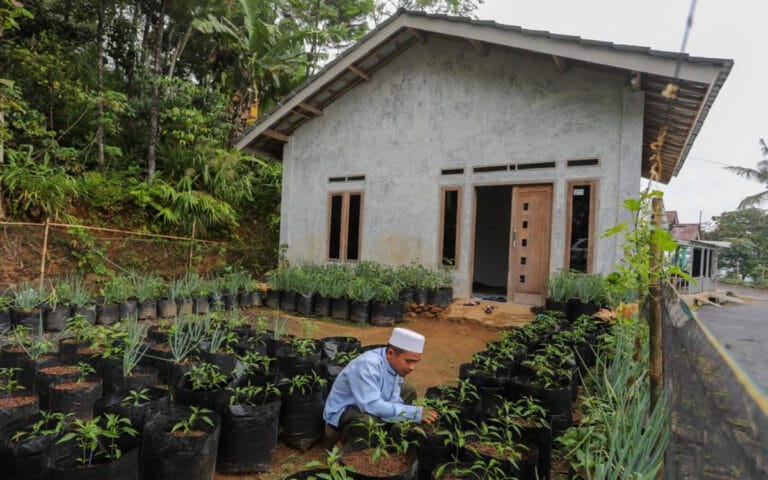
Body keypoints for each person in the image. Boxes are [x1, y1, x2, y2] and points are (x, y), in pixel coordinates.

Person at [323, 327, 438, 445]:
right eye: (408, 361)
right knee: (368, 422)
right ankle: (348, 442)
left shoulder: (394, 364)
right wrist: (414, 413)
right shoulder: (368, 364)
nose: (412, 367)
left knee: (408, 391)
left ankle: (387, 434)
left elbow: (394, 395)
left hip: (368, 402)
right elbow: (371, 406)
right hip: (345, 410)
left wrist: (407, 414)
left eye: (415, 362)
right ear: (390, 353)